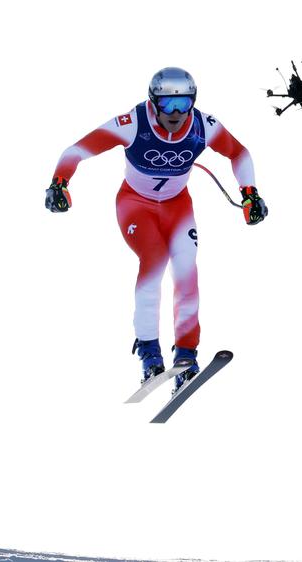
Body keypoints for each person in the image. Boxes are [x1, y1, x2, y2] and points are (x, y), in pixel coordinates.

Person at [45, 67, 268, 391]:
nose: (175, 114)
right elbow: (77, 150)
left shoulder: (204, 127)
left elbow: (239, 153)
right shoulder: (134, 123)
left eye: (183, 104)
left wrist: (250, 193)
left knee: (186, 268)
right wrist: (59, 183)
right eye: (166, 106)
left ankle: (186, 357)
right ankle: (150, 355)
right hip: (136, 204)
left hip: (177, 206)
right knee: (155, 259)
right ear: (153, 103)